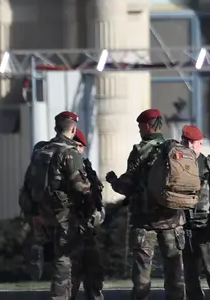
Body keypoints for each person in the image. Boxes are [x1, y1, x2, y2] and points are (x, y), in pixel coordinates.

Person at [106, 108, 187, 300]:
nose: (139, 130)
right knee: (175, 272)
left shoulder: (140, 151)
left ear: (147, 126)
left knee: (142, 272)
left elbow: (128, 185)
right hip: (173, 220)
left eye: (140, 126)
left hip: (146, 221)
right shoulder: (175, 148)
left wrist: (113, 181)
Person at [18, 112, 92, 300]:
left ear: (55, 128)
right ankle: (59, 296)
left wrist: (32, 211)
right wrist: (90, 187)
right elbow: (78, 185)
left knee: (60, 254)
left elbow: (28, 181)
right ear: (74, 129)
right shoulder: (70, 152)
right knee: (64, 258)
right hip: (64, 214)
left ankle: (37, 244)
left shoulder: (40, 151)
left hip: (41, 211)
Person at [180, 125, 210, 300]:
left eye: (195, 143)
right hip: (183, 230)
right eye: (187, 142)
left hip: (208, 228)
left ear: (201, 143)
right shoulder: (175, 167)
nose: (191, 146)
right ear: (181, 142)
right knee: (189, 281)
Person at [71, 129, 105, 300]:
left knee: (95, 275)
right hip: (70, 228)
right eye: (74, 145)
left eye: (79, 146)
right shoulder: (63, 166)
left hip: (89, 229)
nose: (76, 149)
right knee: (70, 278)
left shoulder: (86, 167)